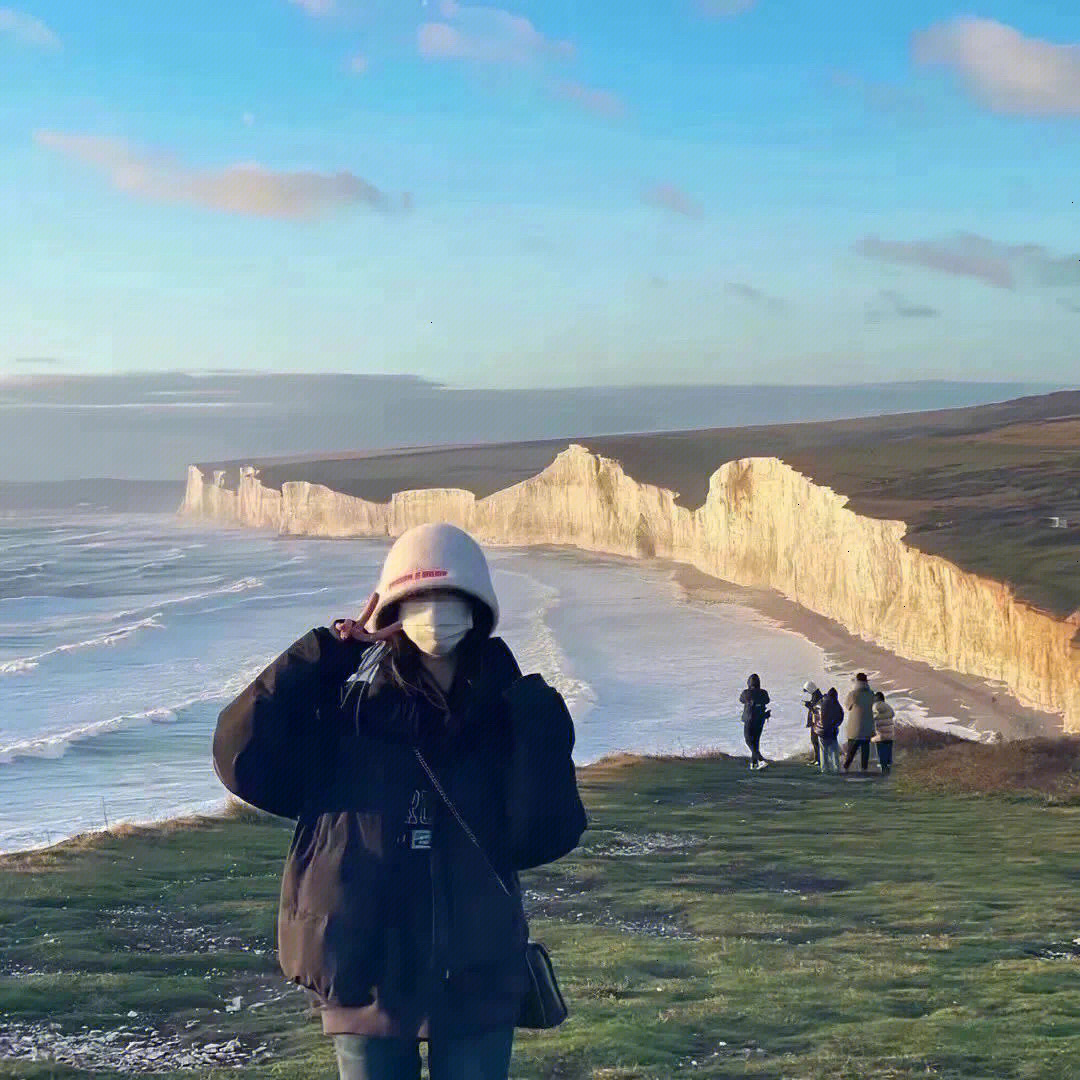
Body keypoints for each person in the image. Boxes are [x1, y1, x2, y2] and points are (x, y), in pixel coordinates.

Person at [213, 523, 588, 1080]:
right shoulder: (346, 709)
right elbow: (239, 756)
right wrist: (323, 654)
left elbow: (544, 835)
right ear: (390, 611)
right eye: (418, 599)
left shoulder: (509, 709)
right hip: (365, 975)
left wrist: (539, 728)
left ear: (478, 610)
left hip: (477, 973)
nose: (435, 614)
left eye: (450, 599)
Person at [843, 672, 877, 772]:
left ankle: (846, 767)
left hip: (855, 728)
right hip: (867, 727)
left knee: (851, 751)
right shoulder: (871, 694)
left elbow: (847, 706)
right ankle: (864, 769)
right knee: (865, 750)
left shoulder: (853, 694)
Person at [739, 674, 771, 769]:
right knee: (756, 741)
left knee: (748, 740)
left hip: (749, 719)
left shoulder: (746, 693)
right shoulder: (763, 692)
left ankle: (760, 760)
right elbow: (767, 701)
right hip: (760, 719)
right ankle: (754, 763)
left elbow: (741, 700)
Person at [814, 687, 844, 774]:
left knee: (823, 751)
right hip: (832, 731)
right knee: (834, 751)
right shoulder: (837, 705)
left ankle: (824, 769)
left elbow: (817, 716)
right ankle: (836, 768)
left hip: (822, 732)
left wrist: (817, 727)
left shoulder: (822, 704)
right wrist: (836, 725)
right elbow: (841, 717)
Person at [872, 691, 896, 775]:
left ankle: (883, 769)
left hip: (881, 734)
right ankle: (888, 768)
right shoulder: (888, 707)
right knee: (888, 752)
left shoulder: (876, 706)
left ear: (878, 698)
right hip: (890, 734)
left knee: (881, 752)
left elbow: (874, 717)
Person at [802, 681, 823, 767]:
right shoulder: (817, 695)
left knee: (815, 741)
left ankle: (818, 759)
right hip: (817, 722)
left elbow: (815, 709)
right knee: (815, 741)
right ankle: (818, 759)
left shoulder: (816, 696)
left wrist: (808, 705)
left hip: (816, 722)